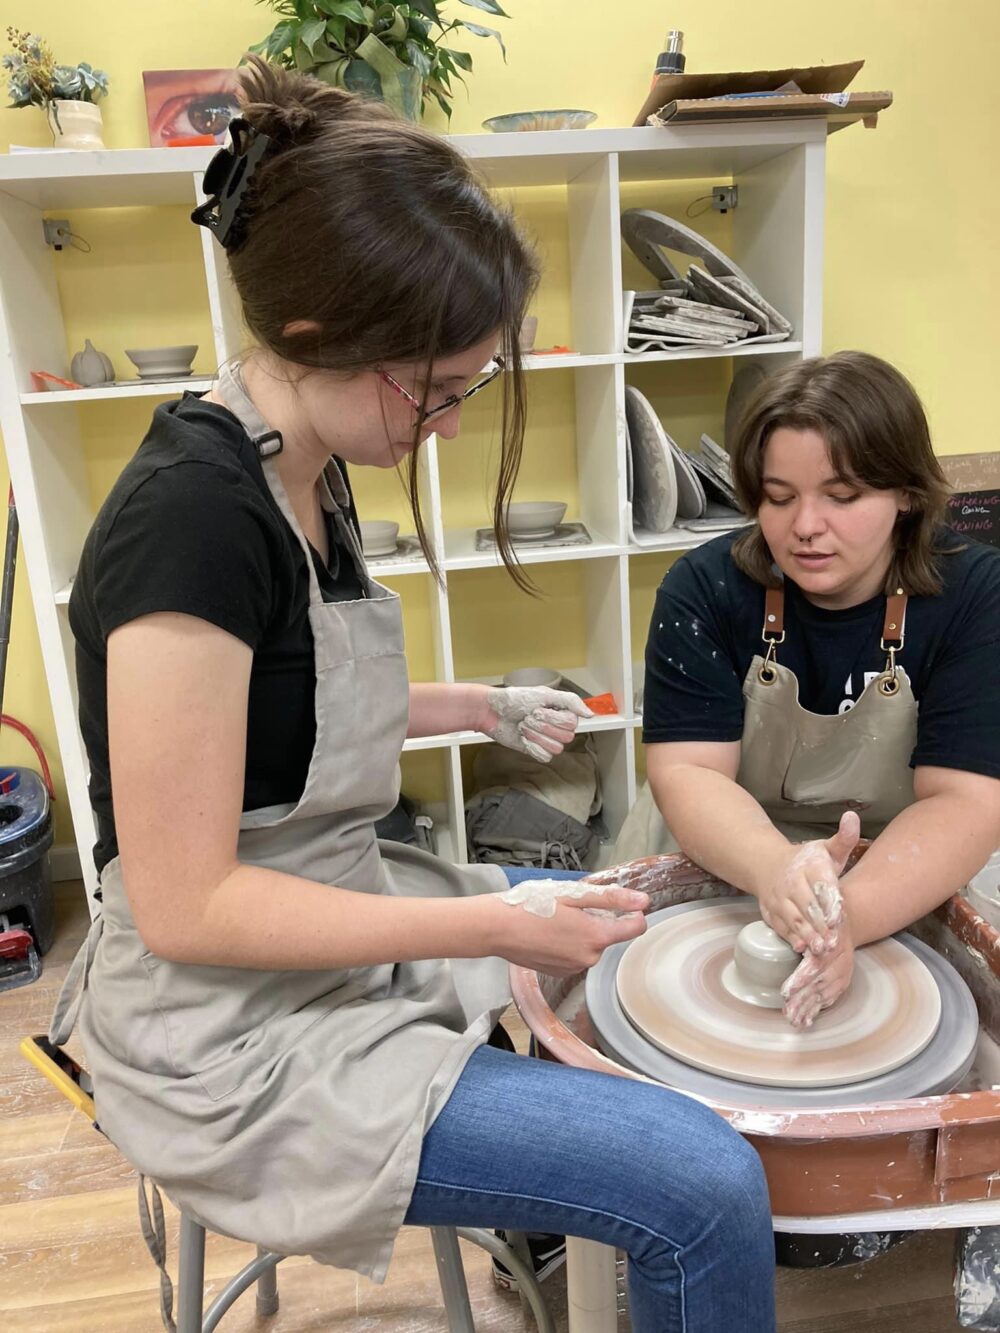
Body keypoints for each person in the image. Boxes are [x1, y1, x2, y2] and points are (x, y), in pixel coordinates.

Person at [49, 57, 776, 1333]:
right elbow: (186, 903)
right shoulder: (192, 525)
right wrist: (492, 929)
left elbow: (292, 713)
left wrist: (479, 706)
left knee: (624, 912)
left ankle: (558, 1246)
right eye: (437, 389)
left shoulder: (302, 460)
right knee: (703, 1182)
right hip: (229, 1031)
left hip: (330, 912)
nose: (448, 424)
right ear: (321, 342)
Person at [617, 351, 1000, 1028]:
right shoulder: (703, 589)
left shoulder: (974, 596)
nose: (805, 526)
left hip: (897, 860)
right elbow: (688, 775)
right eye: (779, 496)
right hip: (728, 846)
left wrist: (844, 920)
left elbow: (966, 802)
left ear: (906, 493)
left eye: (843, 496)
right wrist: (777, 872)